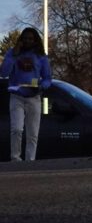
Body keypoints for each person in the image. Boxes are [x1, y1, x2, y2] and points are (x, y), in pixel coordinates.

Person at [2, 27, 52, 161]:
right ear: (21, 40)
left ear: (35, 40)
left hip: (34, 97)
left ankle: (30, 161)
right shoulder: (12, 53)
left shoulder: (40, 56)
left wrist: (42, 87)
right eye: (25, 39)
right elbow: (4, 73)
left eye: (31, 39)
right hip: (16, 96)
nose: (28, 41)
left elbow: (47, 78)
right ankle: (15, 158)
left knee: (33, 134)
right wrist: (14, 54)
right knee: (17, 129)